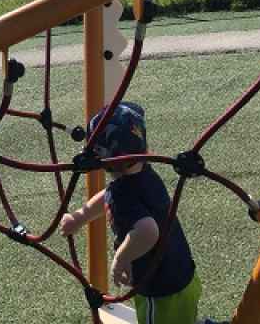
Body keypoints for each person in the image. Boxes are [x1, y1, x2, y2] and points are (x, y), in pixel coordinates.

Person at [58, 102, 225, 324]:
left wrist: (122, 258)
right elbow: (108, 196)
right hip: (182, 273)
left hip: (160, 289)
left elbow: (147, 231)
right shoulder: (144, 172)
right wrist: (80, 216)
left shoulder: (122, 194)